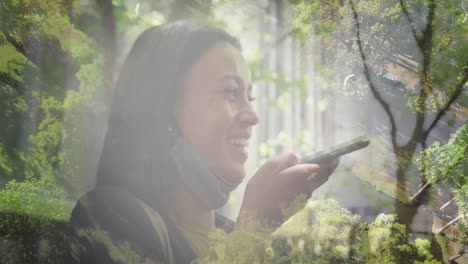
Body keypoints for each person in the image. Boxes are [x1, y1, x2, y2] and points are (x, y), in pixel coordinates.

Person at [66, 20, 338, 264]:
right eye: (230, 92)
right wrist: (254, 230)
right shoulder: (107, 216)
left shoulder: (232, 233)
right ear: (165, 110)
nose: (253, 116)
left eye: (250, 97)